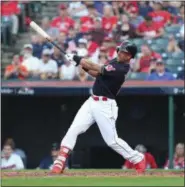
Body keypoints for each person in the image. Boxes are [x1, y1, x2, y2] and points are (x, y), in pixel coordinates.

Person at [51, 40, 146, 174]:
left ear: (129, 56)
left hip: (106, 105)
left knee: (112, 141)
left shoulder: (122, 69)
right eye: (120, 50)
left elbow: (99, 68)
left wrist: (78, 59)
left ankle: (137, 158)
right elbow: (96, 74)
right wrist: (81, 65)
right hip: (92, 101)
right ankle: (60, 162)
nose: (120, 52)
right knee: (74, 129)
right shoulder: (115, 61)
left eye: (124, 52)